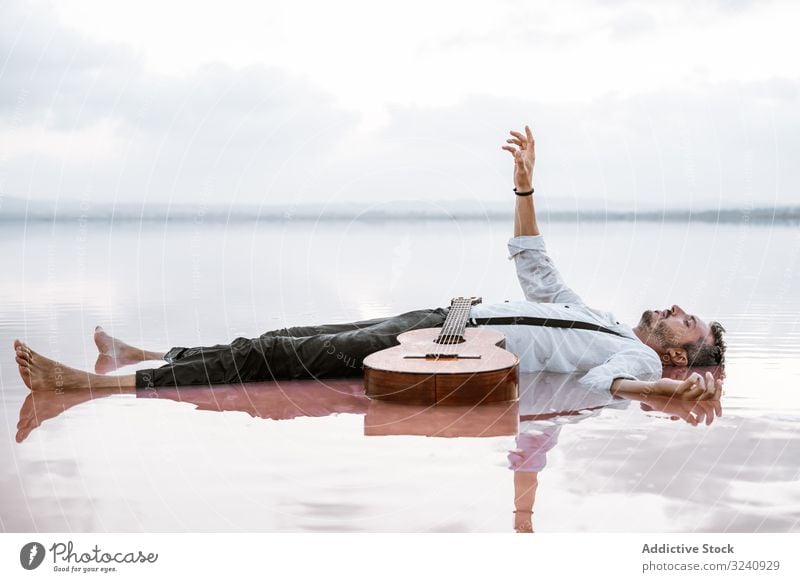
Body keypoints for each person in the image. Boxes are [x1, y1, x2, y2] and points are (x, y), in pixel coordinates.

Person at [14, 125, 726, 399]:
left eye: (683, 323)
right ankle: (148, 351)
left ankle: (97, 387)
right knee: (291, 337)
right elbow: (537, 271)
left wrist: (673, 393)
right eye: (678, 310)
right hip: (454, 317)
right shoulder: (600, 317)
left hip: (457, 348)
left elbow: (615, 389)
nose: (671, 310)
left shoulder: (633, 364)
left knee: (288, 357)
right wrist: (524, 189)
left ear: (678, 358)